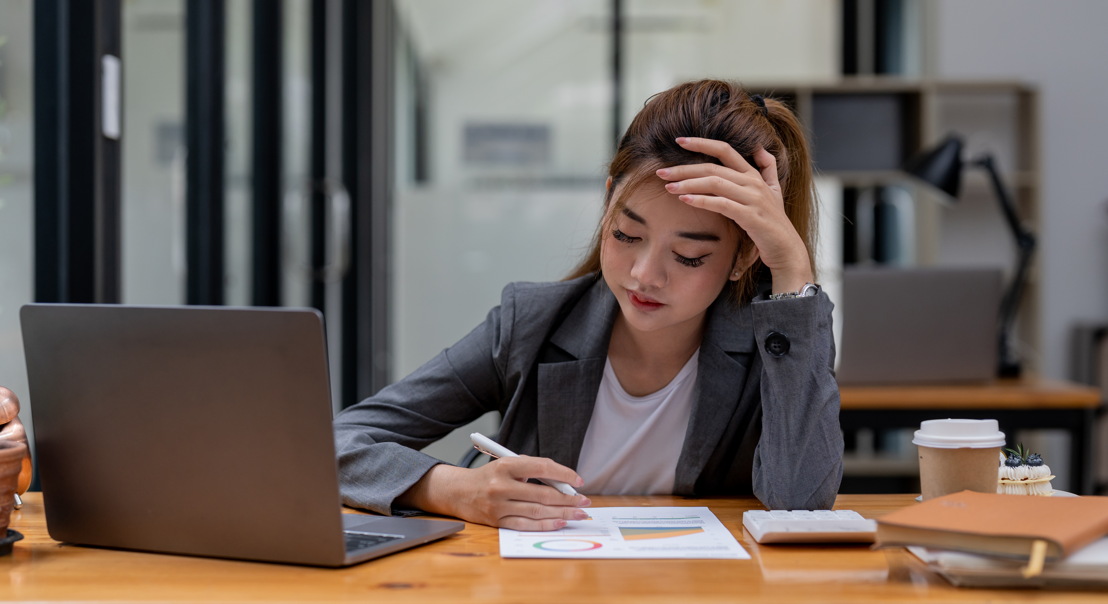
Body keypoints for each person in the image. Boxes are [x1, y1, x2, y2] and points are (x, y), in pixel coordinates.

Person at [334, 79, 842, 531]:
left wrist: (793, 276)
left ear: (743, 256)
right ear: (606, 207)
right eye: (625, 234)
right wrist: (451, 489)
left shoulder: (774, 344)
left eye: (688, 257)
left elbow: (801, 503)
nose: (644, 274)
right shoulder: (531, 324)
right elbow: (335, 443)